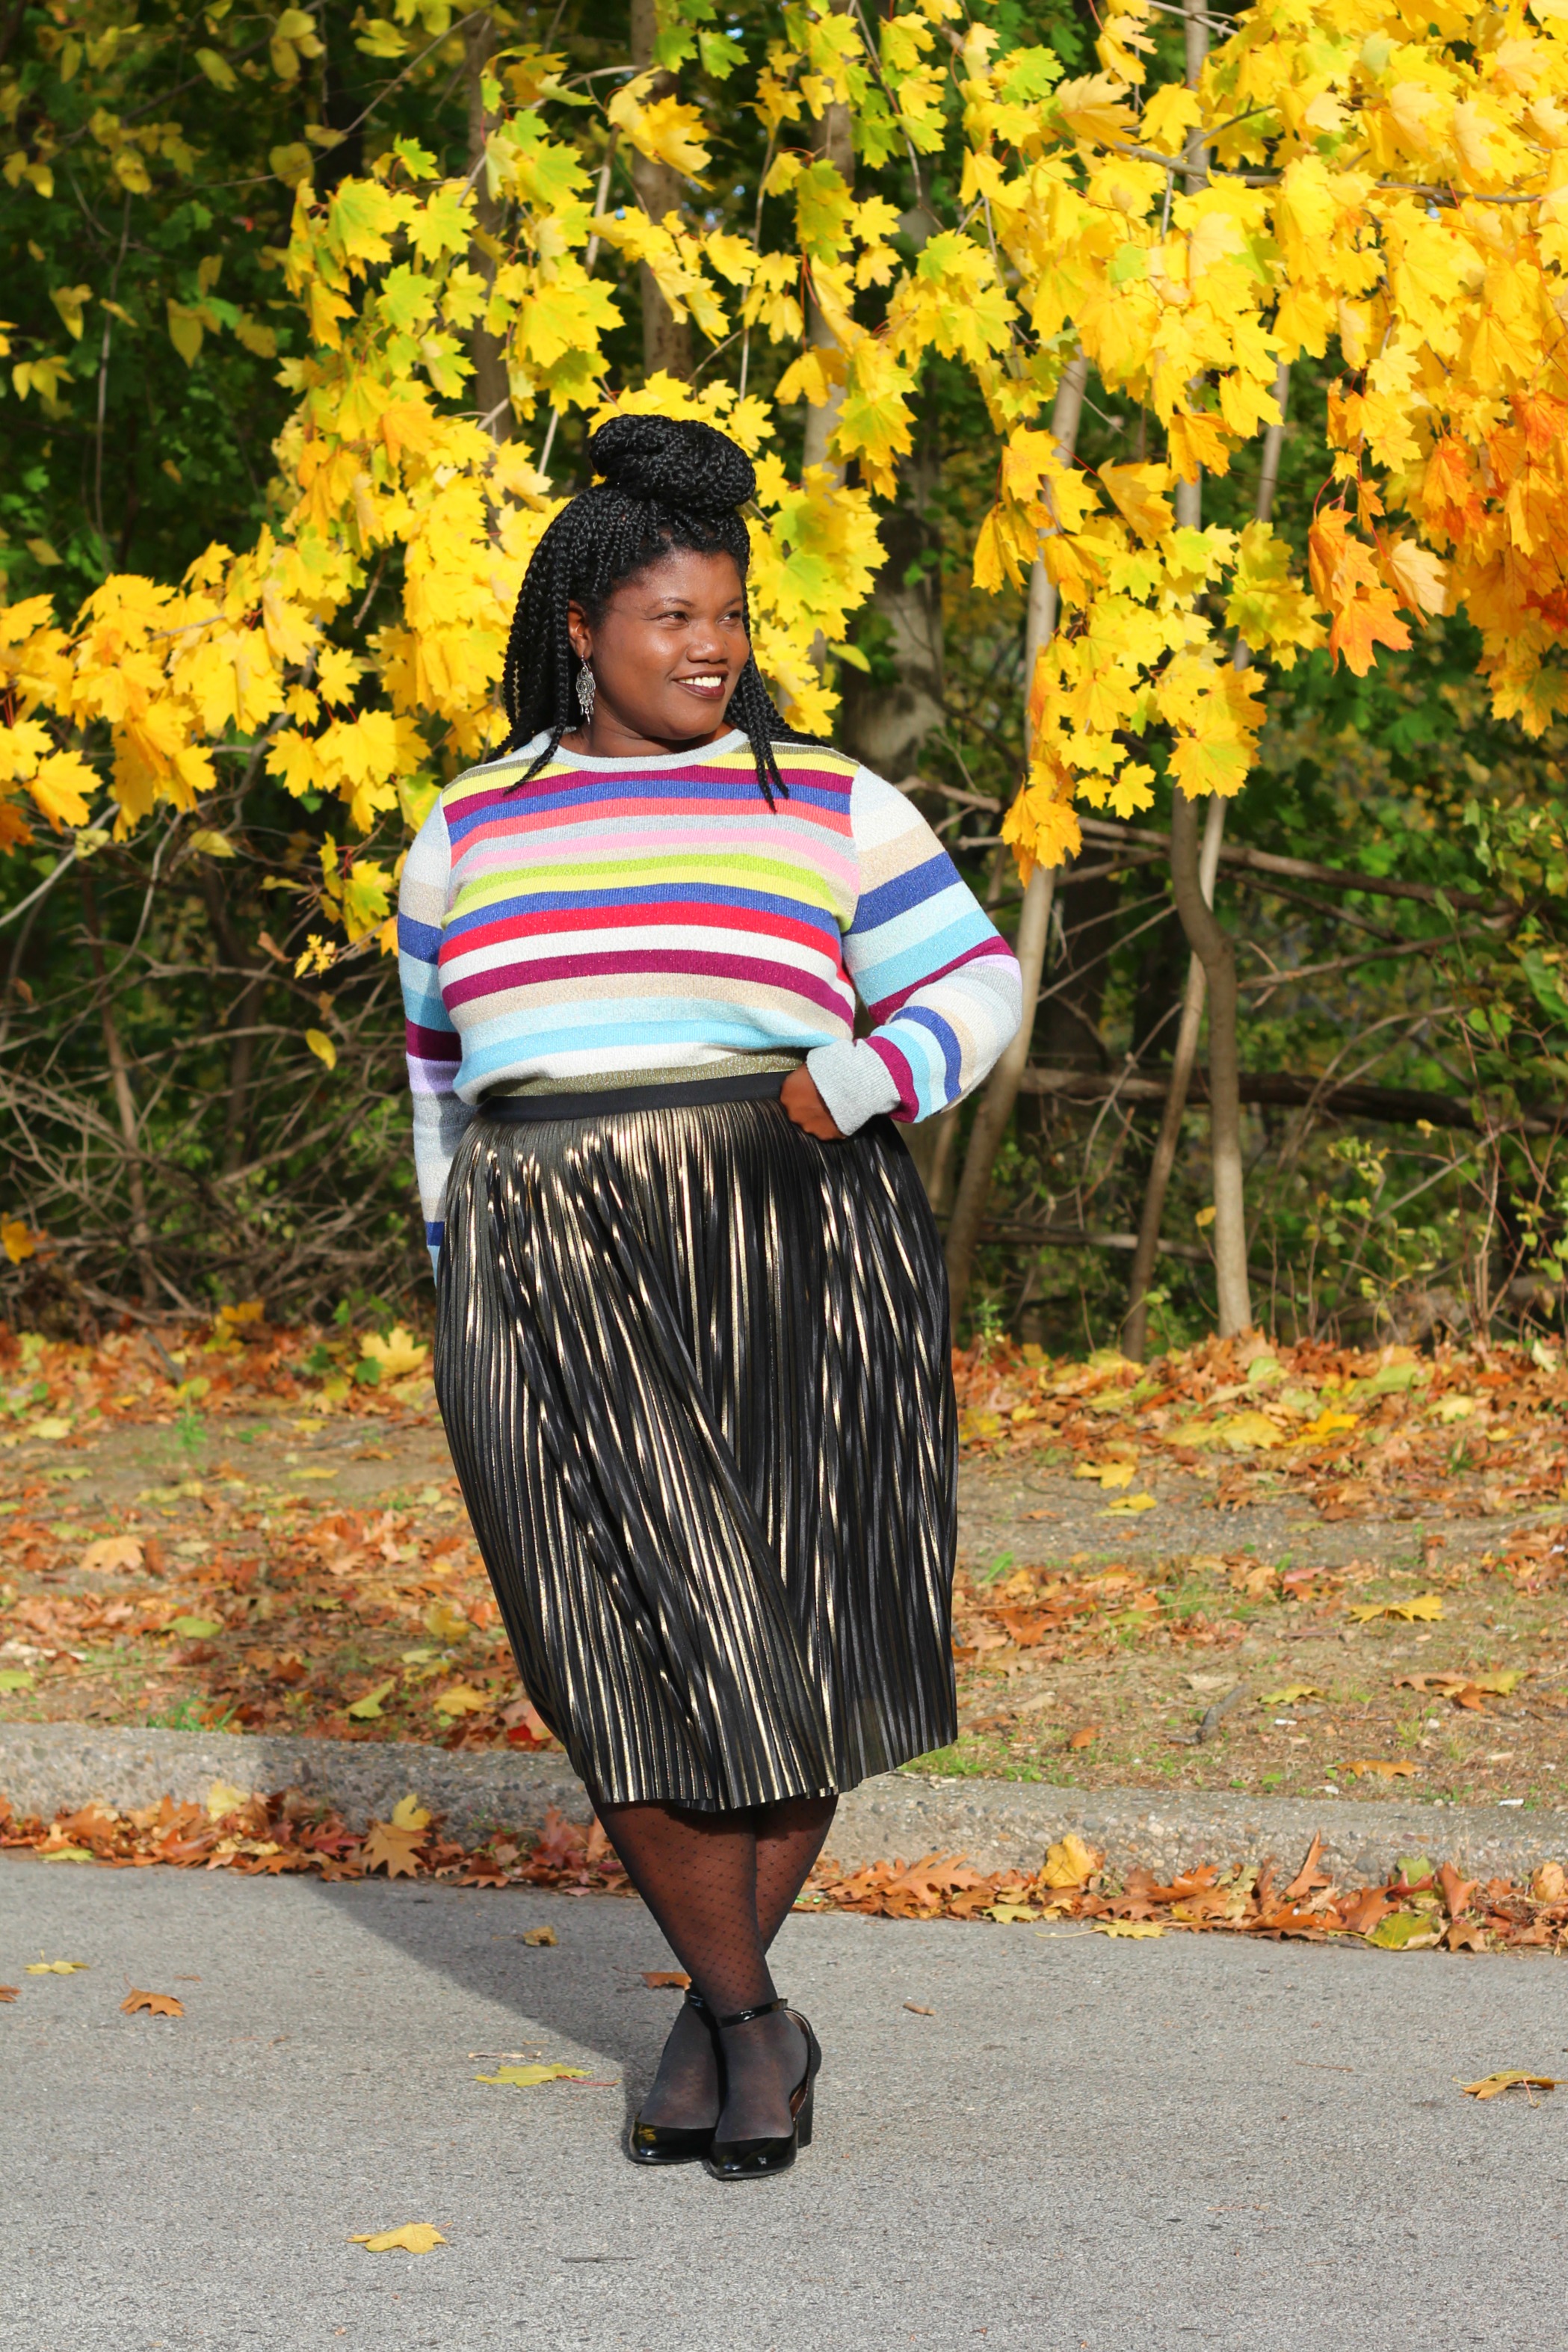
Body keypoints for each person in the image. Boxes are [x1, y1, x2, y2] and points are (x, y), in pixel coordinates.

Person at [398, 413, 1021, 2180]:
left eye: (729, 617)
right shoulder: (465, 829)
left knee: (802, 1626)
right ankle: (754, 2015)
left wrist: (863, 1075)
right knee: (615, 1643)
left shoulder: (821, 797)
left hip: (797, 1230)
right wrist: (458, 1272)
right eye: (672, 616)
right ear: (581, 625)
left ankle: (716, 2018)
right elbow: (439, 1080)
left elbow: (975, 986)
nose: (710, 646)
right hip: (545, 1253)